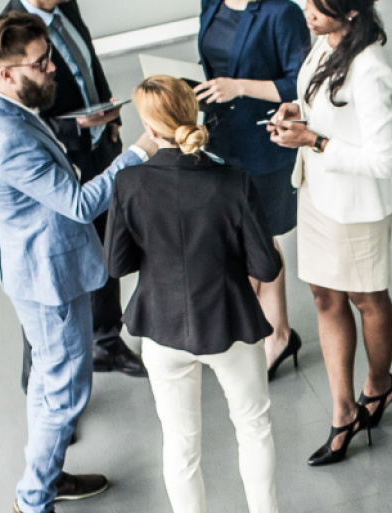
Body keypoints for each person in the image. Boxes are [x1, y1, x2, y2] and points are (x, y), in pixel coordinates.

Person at [0, 13, 156, 513]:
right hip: (51, 276)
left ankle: (47, 477)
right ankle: (33, 500)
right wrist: (138, 151)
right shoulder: (6, 141)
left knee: (49, 383)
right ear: (5, 72)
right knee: (65, 394)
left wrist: (72, 125)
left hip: (28, 264)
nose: (53, 69)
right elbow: (80, 204)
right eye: (41, 63)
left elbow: (36, 141)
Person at [106, 75, 285, 513]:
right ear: (193, 113)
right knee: (253, 427)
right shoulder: (233, 182)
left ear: (149, 130)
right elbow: (266, 266)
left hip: (162, 329)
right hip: (229, 324)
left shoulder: (129, 184)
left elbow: (117, 265)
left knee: (180, 444)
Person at [0, 0, 145, 380]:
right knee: (52, 286)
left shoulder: (64, 2)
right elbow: (11, 125)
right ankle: (40, 383)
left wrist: (108, 119)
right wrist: (74, 127)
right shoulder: (4, 44)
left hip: (100, 150)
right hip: (61, 168)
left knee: (109, 248)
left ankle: (107, 341)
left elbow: (86, 63)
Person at [267, 0, 392, 466]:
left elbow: (383, 159)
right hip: (319, 194)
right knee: (324, 295)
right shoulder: (325, 43)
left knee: (368, 300)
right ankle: (342, 410)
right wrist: (297, 111)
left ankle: (378, 385)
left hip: (357, 207)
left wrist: (314, 141)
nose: (308, 11)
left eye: (319, 6)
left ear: (350, 13)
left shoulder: (371, 71)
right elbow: (318, 100)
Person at [194, 0, 312, 379]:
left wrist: (238, 86)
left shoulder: (280, 14)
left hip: (264, 146)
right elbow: (212, 61)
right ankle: (255, 326)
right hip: (220, 139)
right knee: (235, 238)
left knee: (263, 240)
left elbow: (298, 84)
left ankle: (279, 334)